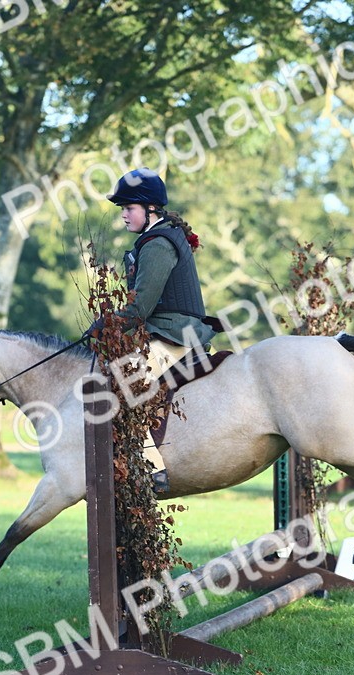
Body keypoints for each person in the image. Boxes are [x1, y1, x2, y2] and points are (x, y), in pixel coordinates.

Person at [97, 167, 215, 493]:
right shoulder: (155, 238)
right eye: (123, 208)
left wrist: (106, 325)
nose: (123, 215)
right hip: (169, 330)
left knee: (125, 381)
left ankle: (154, 469)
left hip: (176, 334)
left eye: (128, 208)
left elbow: (141, 307)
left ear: (149, 208)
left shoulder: (158, 243)